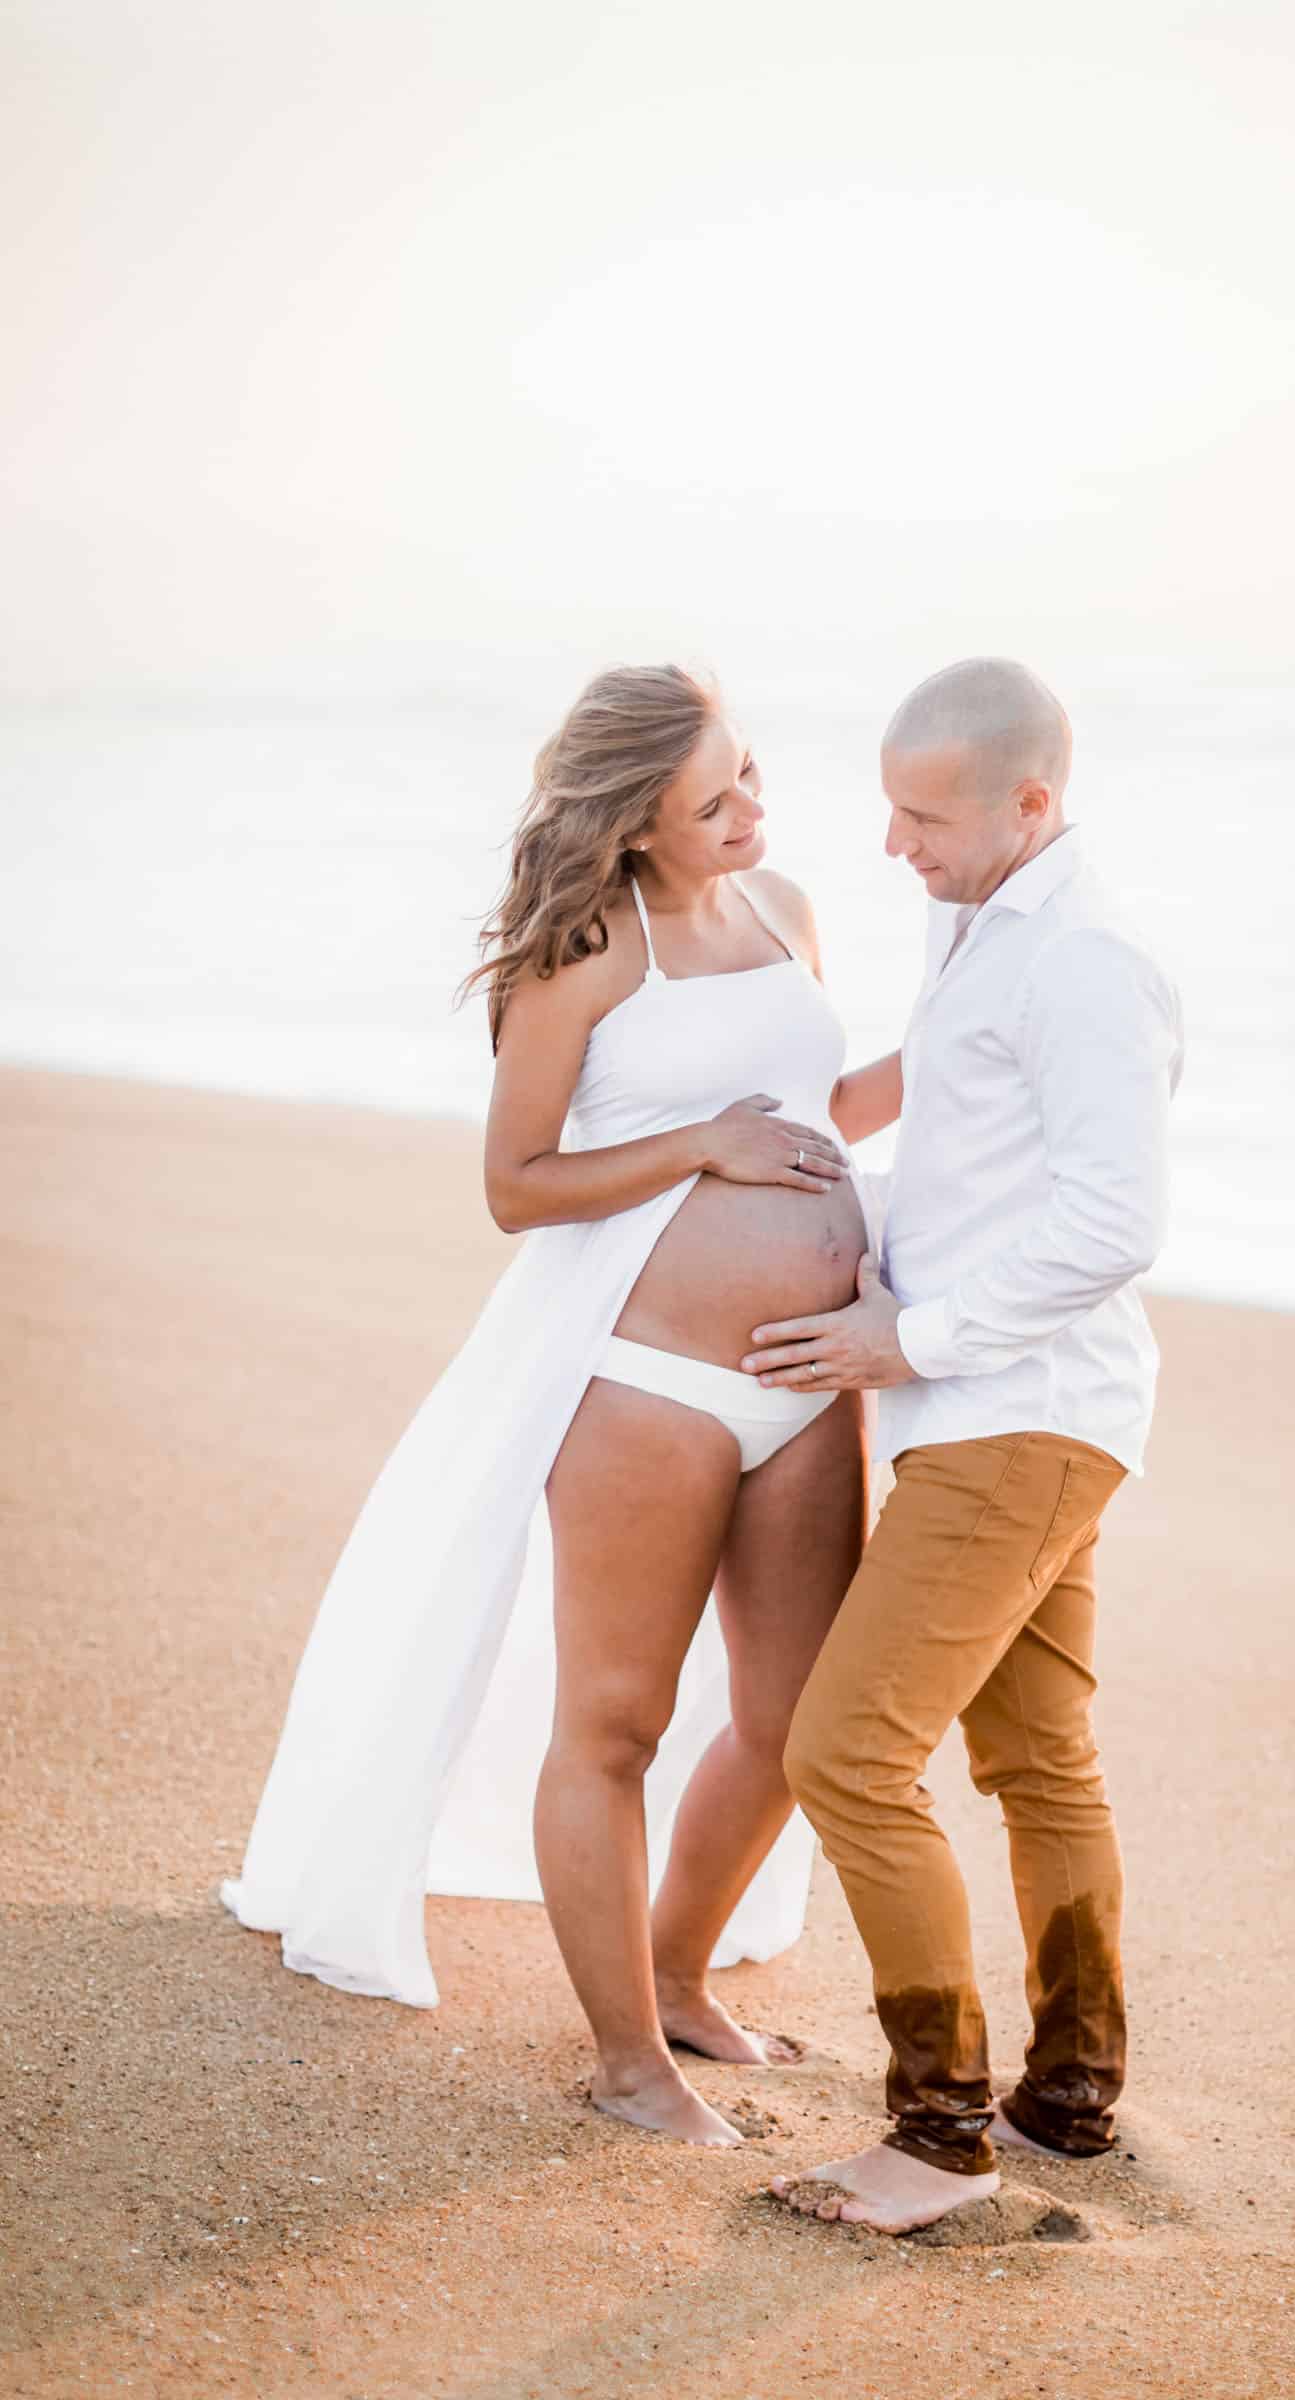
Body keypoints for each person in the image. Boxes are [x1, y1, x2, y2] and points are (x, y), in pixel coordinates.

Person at [223, 664, 902, 2148]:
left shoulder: (786, 910)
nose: (752, 811)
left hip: (808, 1379)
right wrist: (695, 1146)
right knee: (617, 1719)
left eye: (752, 779)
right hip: (647, 1385)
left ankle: (672, 1975)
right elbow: (514, 1186)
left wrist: (964, 1056)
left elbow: (810, 1115)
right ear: (634, 818)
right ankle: (622, 2062)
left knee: (796, 1718)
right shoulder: (590, 947)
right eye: (713, 798)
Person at [743, 657, 1184, 2232]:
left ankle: (937, 2137)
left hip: (1011, 1419)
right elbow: (963, 1120)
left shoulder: (1084, 960)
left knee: (845, 1755)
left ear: (1032, 804)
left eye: (924, 815)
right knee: (1038, 1759)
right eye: (888, 804)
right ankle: (1069, 2098)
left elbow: (1114, 1222)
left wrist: (903, 1337)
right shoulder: (979, 918)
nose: (891, 845)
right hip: (1025, 1415)